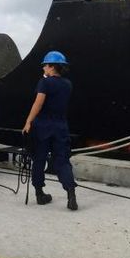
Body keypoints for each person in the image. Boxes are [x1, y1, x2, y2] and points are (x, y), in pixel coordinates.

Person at [22, 51, 78, 211]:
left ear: (52, 66)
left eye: (45, 65)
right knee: (62, 160)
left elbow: (38, 104)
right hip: (60, 127)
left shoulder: (44, 83)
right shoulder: (68, 84)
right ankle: (71, 193)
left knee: (39, 159)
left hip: (42, 127)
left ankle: (40, 194)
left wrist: (28, 121)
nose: (43, 68)